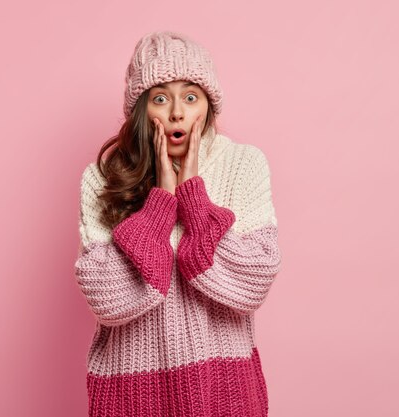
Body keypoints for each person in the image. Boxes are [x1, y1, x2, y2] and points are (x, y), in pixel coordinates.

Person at [74, 30, 282, 417]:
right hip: (131, 391)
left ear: (208, 106)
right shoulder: (103, 177)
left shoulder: (244, 164)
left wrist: (193, 198)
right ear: (141, 109)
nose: (176, 113)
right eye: (160, 98)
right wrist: (161, 204)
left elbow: (253, 282)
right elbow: (106, 297)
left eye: (190, 97)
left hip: (224, 388)